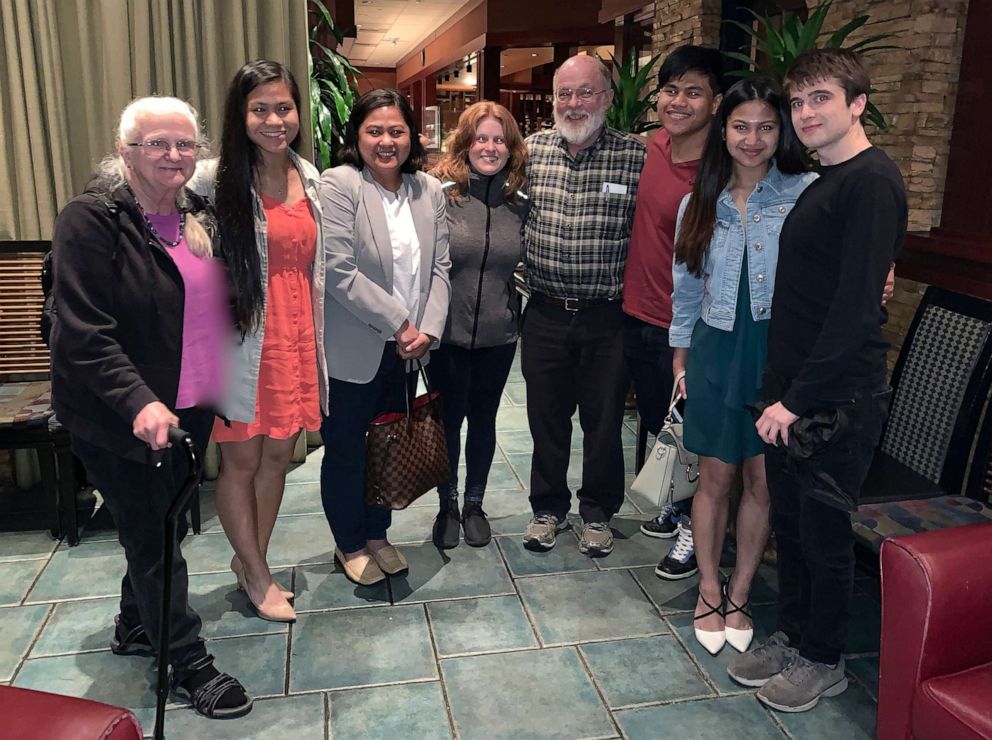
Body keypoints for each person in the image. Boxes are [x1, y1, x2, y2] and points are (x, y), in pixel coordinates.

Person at [50, 96, 252, 718]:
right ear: (125, 152)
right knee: (156, 536)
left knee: (157, 521)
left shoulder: (196, 213)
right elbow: (81, 329)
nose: (174, 156)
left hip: (186, 403)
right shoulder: (91, 219)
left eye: (185, 145)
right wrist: (138, 401)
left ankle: (135, 625)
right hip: (117, 414)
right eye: (157, 144)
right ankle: (186, 658)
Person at [728, 49, 907, 713]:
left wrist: (797, 400)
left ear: (856, 104)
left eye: (820, 99)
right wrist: (781, 393)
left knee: (825, 534)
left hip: (836, 399)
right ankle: (794, 637)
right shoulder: (826, 180)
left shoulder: (870, 181)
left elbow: (857, 309)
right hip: (792, 391)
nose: (805, 113)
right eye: (798, 102)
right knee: (796, 530)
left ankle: (825, 659)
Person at [670, 78, 815, 655]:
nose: (752, 139)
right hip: (715, 347)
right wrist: (680, 355)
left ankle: (743, 589)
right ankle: (708, 587)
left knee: (761, 477)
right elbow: (684, 290)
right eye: (740, 126)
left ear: (782, 132)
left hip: (779, 353)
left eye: (766, 127)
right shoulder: (698, 200)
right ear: (721, 130)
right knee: (714, 476)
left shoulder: (806, 192)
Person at [191, 60, 325, 624]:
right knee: (240, 462)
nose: (275, 120)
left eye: (284, 108)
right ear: (240, 115)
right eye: (260, 109)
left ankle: (252, 562)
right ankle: (257, 572)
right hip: (243, 342)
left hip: (298, 337)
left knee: (278, 456)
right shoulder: (209, 179)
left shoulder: (311, 177)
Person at [319, 89, 451, 585]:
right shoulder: (340, 185)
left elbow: (440, 268)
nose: (386, 141)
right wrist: (401, 323)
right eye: (375, 130)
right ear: (358, 135)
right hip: (355, 349)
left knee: (388, 443)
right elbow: (337, 270)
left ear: (412, 136)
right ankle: (349, 542)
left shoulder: (428, 191)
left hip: (410, 351)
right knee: (348, 448)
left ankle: (378, 534)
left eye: (396, 130)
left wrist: (428, 331)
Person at [520, 54, 646, 557]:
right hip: (545, 313)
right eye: (564, 94)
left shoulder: (636, 159)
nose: (574, 104)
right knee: (546, 418)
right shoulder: (528, 153)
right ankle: (547, 509)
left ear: (608, 98)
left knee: (603, 420)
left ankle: (597, 513)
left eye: (585, 92)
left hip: (607, 318)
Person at [621, 45, 724, 579]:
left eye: (693, 91)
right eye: (670, 89)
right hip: (636, 312)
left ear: (716, 101)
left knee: (693, 429)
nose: (678, 101)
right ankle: (677, 504)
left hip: (686, 327)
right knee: (667, 422)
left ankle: (693, 528)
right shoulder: (652, 147)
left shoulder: (722, 170)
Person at [427, 101, 528, 549]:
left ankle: (474, 503)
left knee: (483, 420)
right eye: (481, 138)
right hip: (446, 335)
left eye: (499, 139)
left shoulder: (519, 201)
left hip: (498, 335)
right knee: (448, 422)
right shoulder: (440, 193)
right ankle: (446, 504)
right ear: (465, 143)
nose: (490, 147)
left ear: (511, 148)